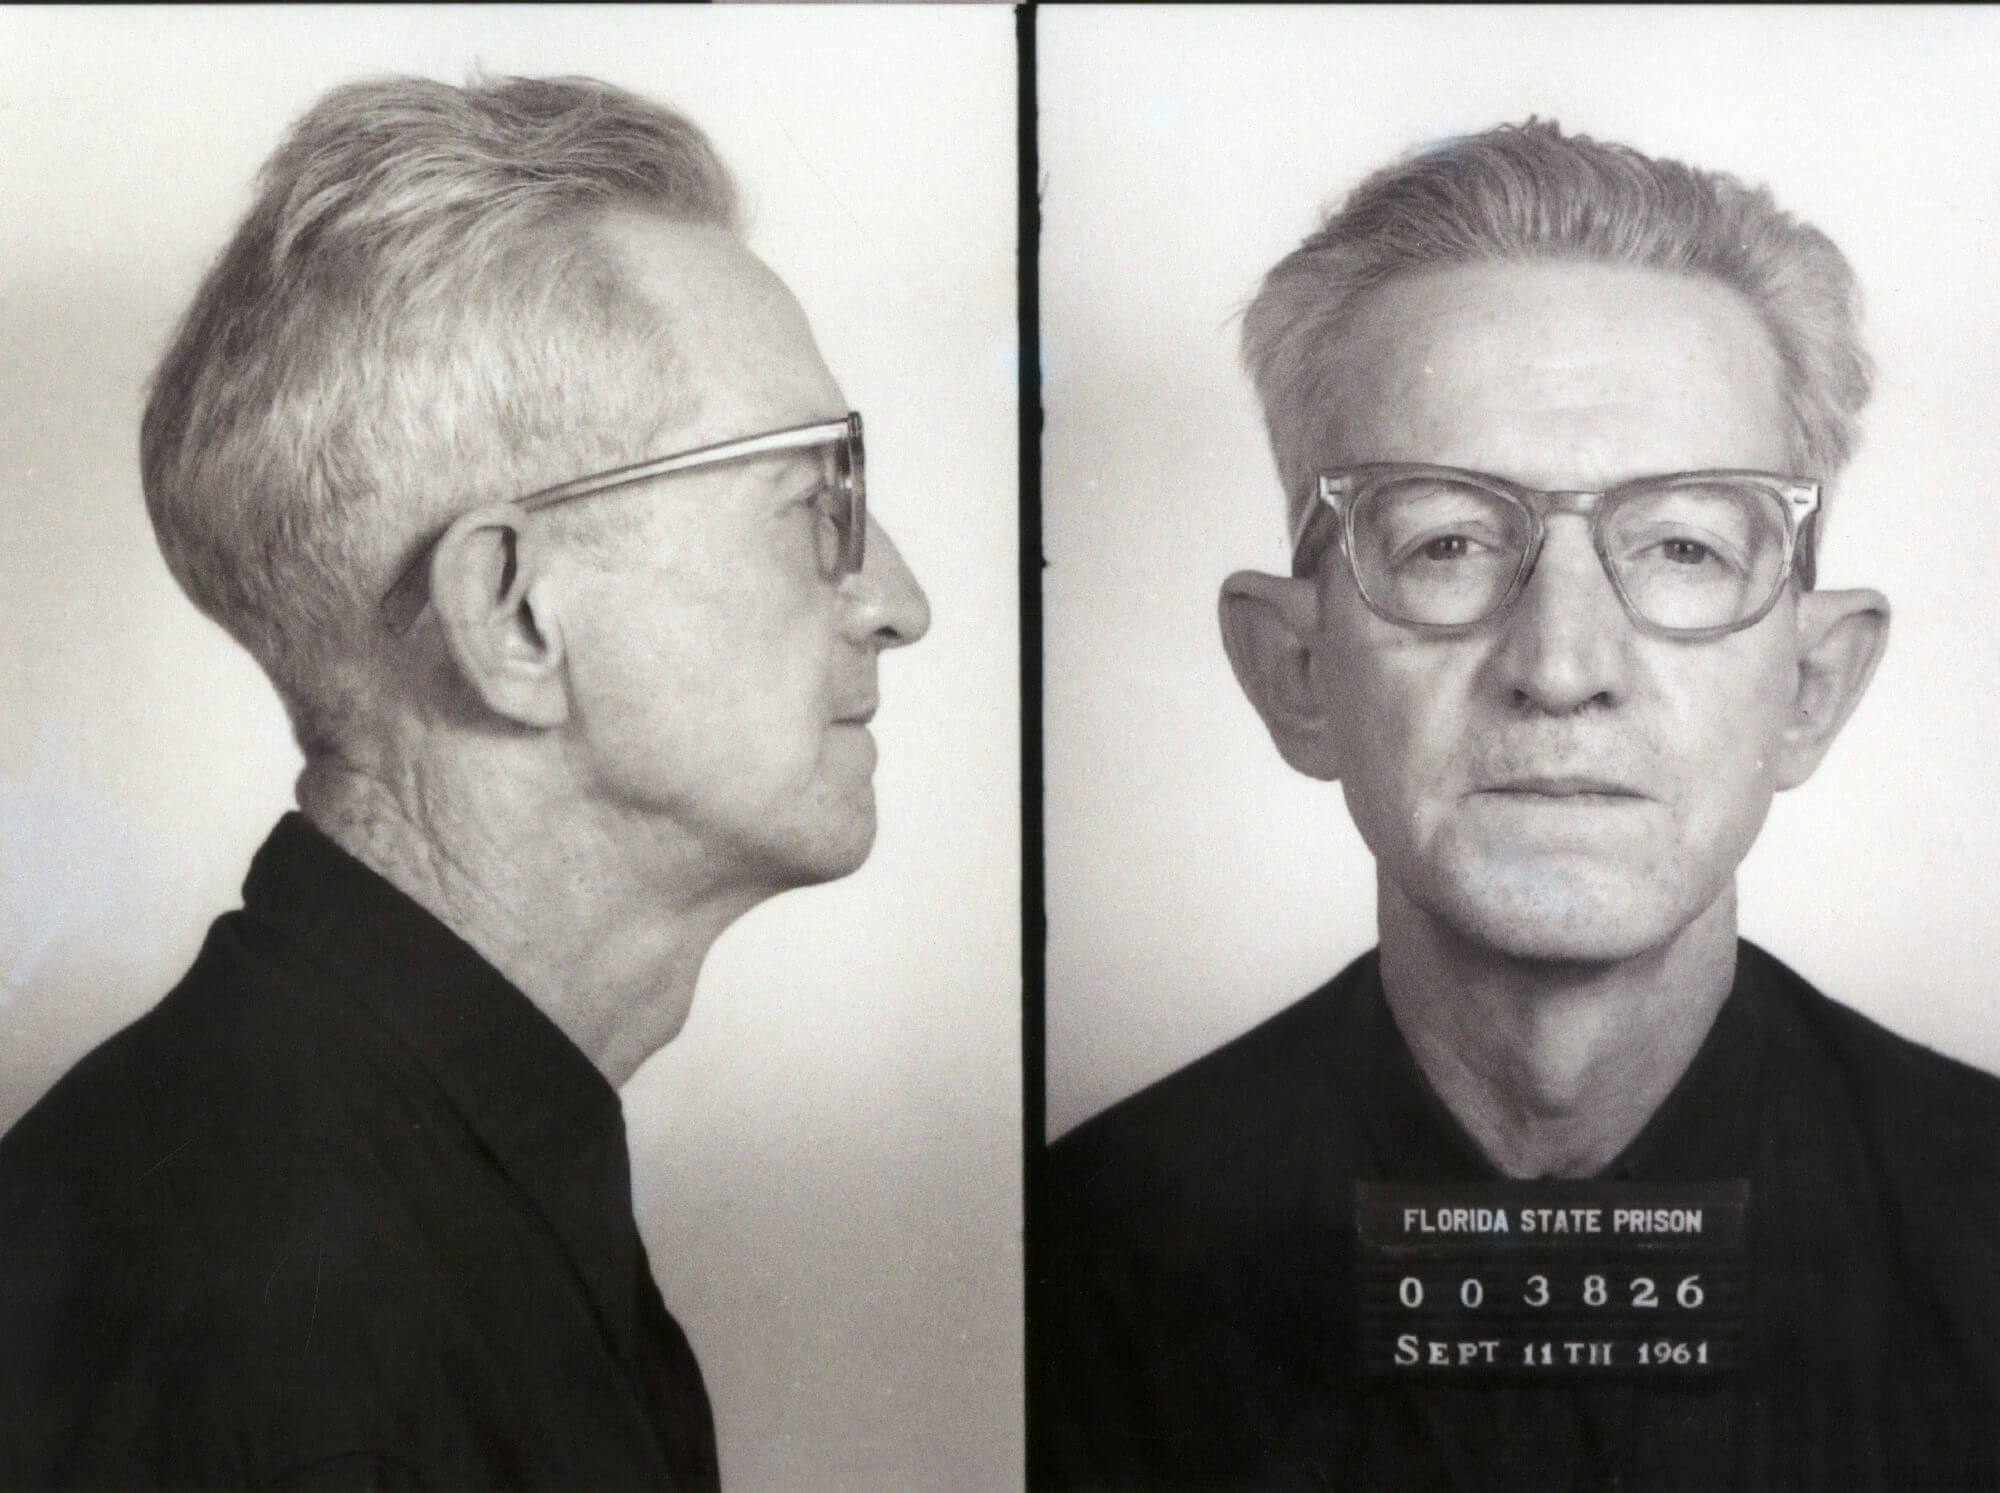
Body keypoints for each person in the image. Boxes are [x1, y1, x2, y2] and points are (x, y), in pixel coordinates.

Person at [1035, 120, 2000, 1491]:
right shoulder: (1075, 1273)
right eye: (1444, 539)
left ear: (1812, 685)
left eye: (1681, 545)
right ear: (1295, 670)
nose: (1560, 667)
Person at [0, 73, 928, 1490]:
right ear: (512, 615)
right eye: (816, 501)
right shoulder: (254, 1323)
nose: (897, 601)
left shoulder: (381, 1177)